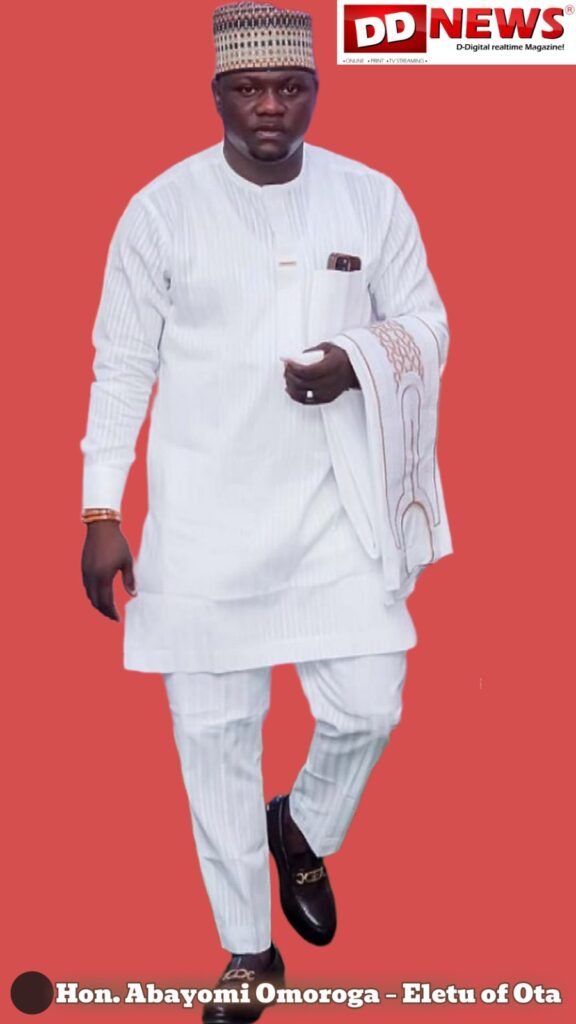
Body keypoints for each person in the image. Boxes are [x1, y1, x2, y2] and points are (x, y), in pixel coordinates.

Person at [80, 2, 451, 1020]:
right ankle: (248, 948)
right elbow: (122, 364)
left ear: (316, 91)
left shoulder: (370, 197)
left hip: (336, 510)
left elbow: (426, 320)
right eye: (249, 89)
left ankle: (305, 827)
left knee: (371, 703)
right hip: (205, 517)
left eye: (290, 87)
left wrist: (357, 360)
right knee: (215, 738)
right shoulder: (161, 212)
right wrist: (100, 507)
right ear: (217, 96)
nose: (271, 107)